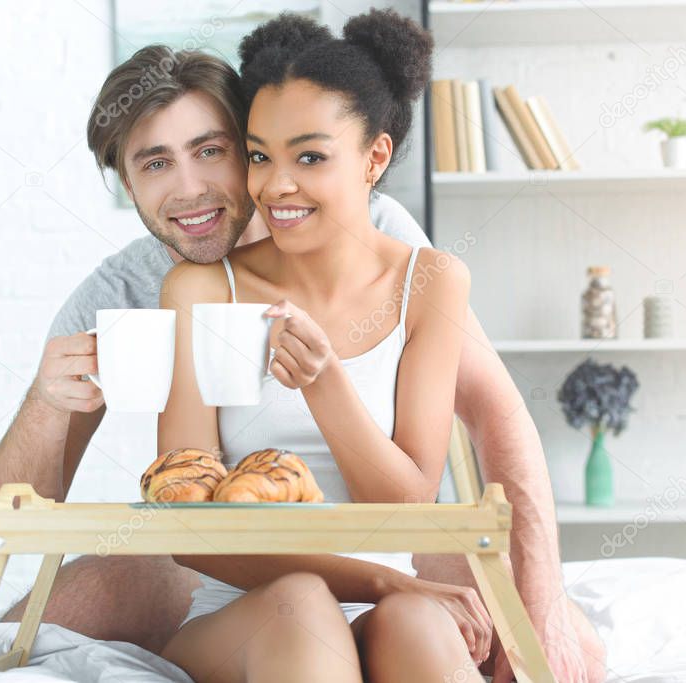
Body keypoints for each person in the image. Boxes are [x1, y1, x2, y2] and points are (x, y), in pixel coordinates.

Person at [0, 16, 606, 683]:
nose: (190, 187)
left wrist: (536, 617)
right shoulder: (176, 287)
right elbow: (34, 503)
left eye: (211, 150)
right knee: (282, 602)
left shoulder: (399, 252)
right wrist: (49, 402)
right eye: (155, 162)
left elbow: (481, 430)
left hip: (388, 573)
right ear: (126, 181)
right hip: (247, 596)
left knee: (431, 619)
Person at [155, 10, 480, 681]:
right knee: (304, 605)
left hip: (385, 608)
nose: (275, 185)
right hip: (244, 616)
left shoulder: (431, 283)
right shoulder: (201, 289)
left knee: (421, 626)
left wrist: (326, 384)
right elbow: (186, 528)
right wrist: (391, 582)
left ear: (374, 157)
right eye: (258, 156)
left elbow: (407, 510)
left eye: (309, 156)